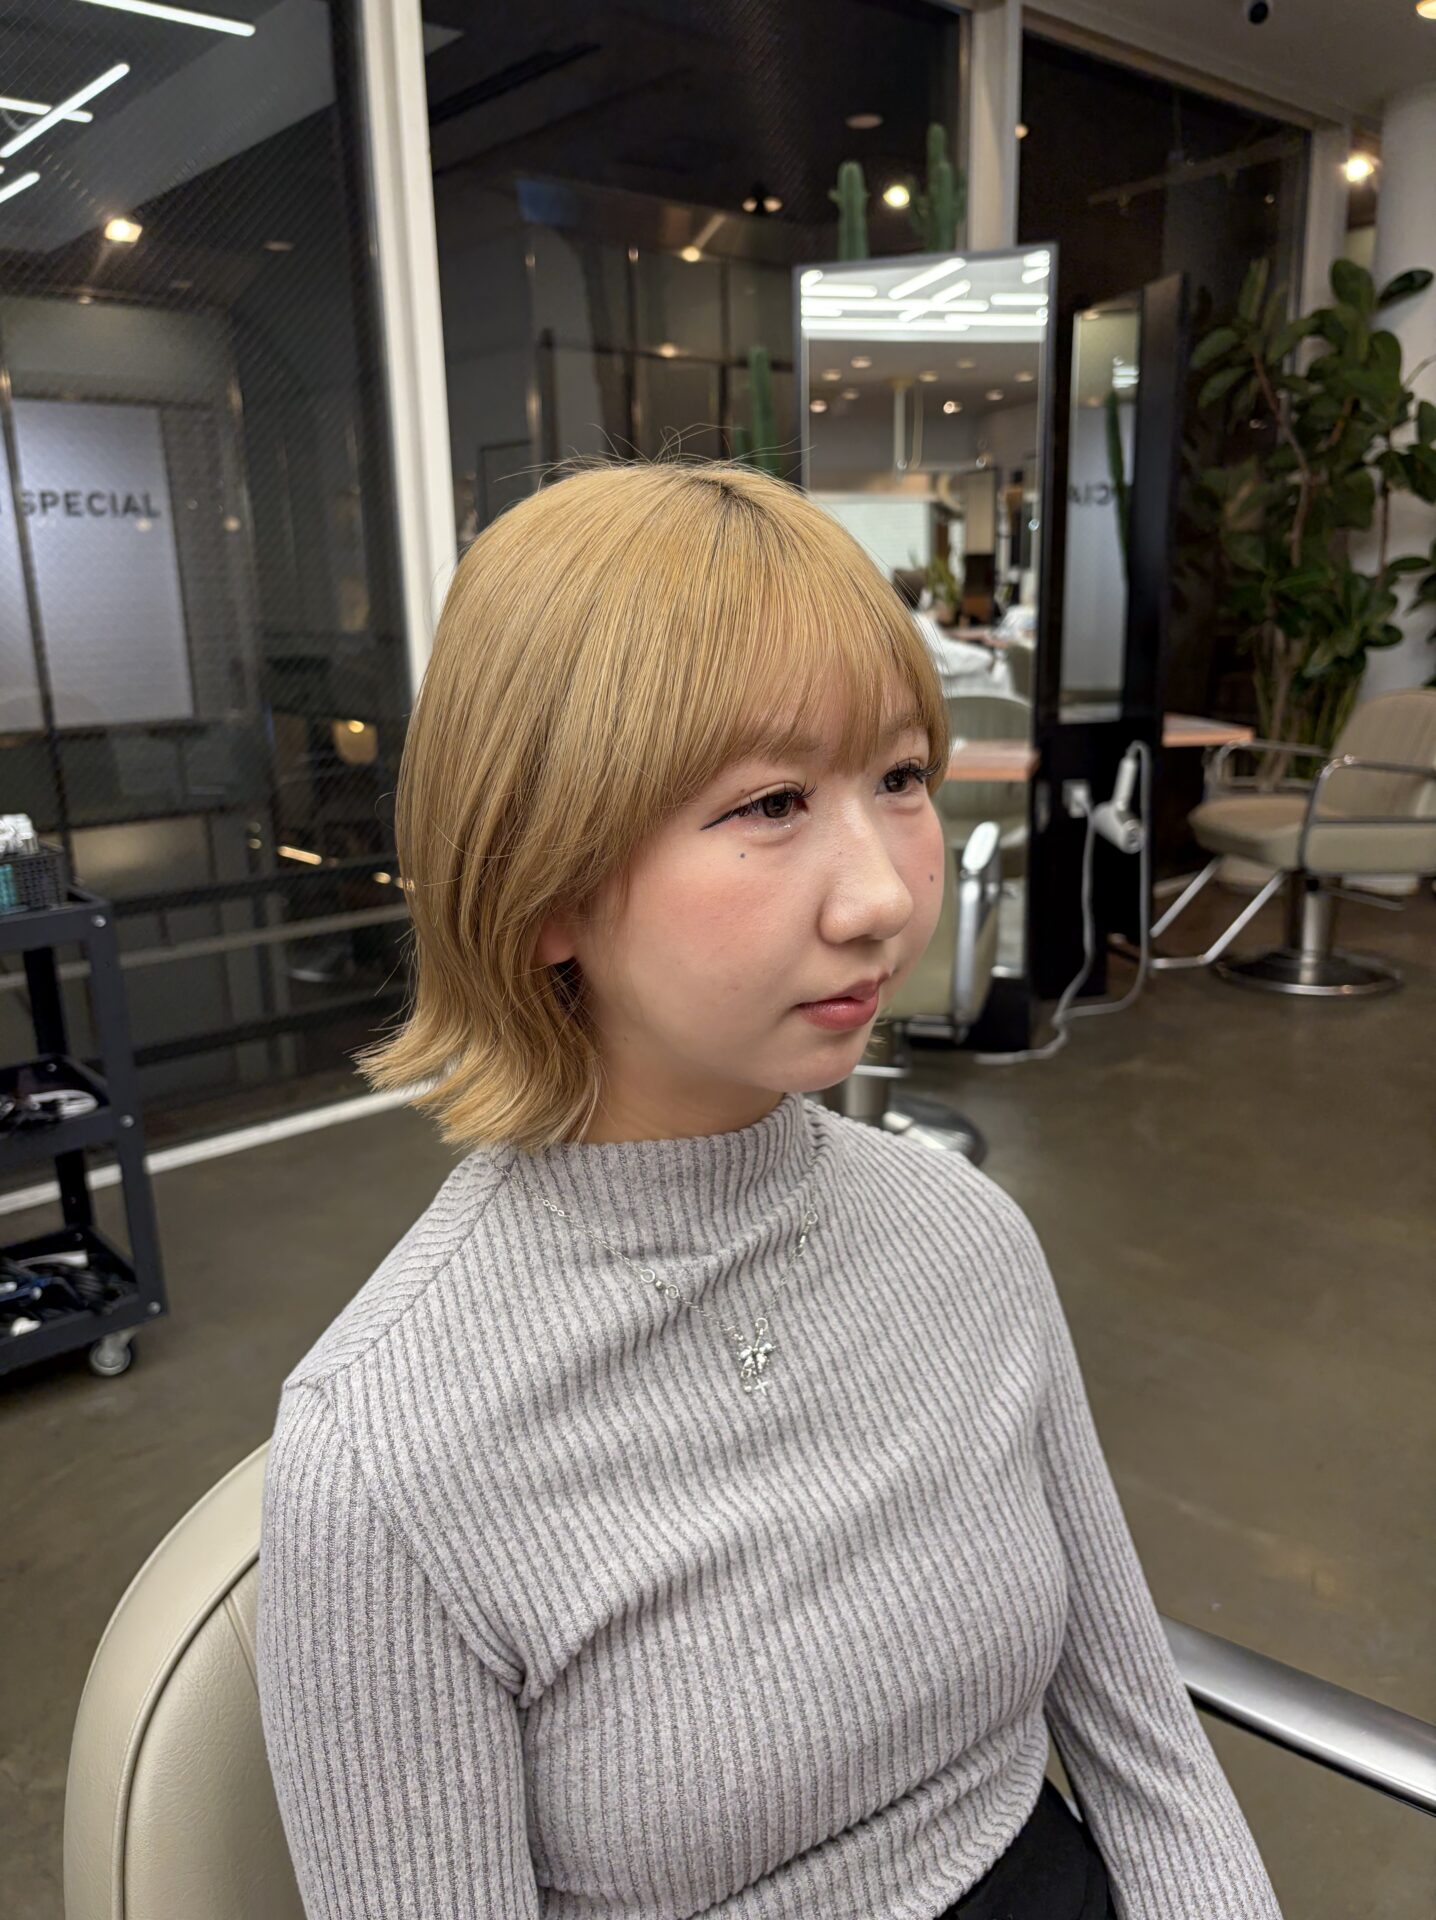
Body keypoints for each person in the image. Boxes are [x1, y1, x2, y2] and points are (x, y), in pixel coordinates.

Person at [255, 457, 1284, 1919]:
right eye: (772, 801)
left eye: (901, 779)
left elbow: (1146, 1754)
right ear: (543, 884)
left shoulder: (964, 1237)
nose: (884, 897)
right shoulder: (388, 1458)